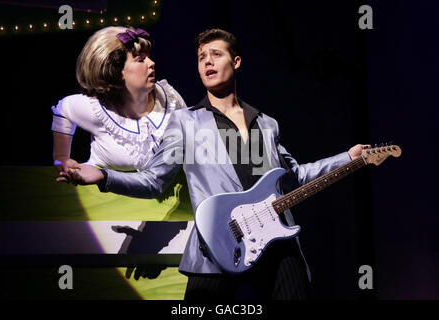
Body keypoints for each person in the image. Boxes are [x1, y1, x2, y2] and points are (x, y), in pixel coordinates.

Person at [63, 28, 366, 300]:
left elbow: (295, 175)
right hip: (218, 241)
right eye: (201, 57)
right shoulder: (184, 123)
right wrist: (104, 176)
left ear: (235, 62)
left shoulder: (266, 124)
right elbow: (154, 181)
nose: (207, 62)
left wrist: (347, 158)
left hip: (276, 241)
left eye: (215, 55)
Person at [52, 26, 187, 177]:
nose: (151, 63)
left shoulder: (169, 99)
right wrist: (61, 157)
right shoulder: (97, 109)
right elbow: (63, 108)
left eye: (148, 56)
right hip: (106, 192)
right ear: (116, 72)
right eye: (141, 59)